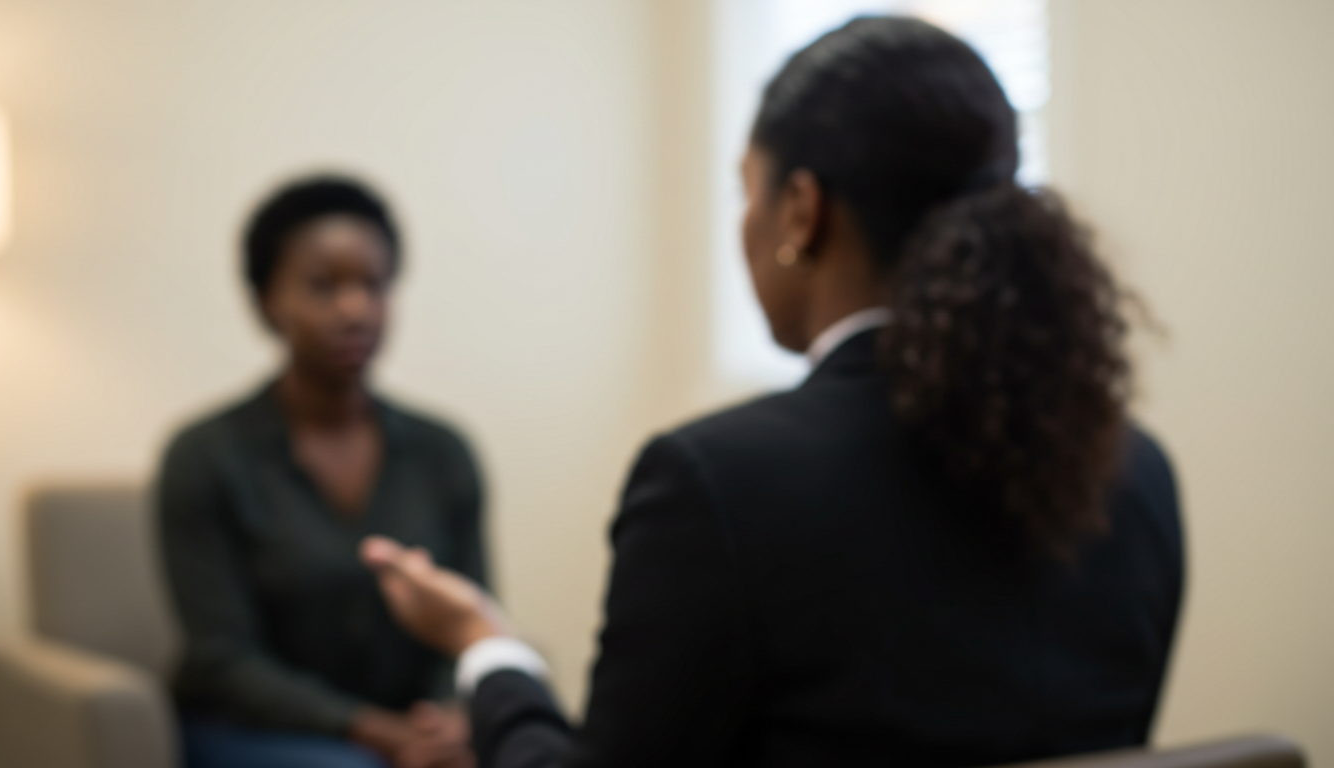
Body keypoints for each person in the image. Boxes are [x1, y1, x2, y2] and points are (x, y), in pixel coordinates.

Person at [360, 16, 1184, 768]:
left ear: (800, 211)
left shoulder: (718, 481)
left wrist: (489, 651)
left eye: (745, 190)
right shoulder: (1134, 474)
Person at [157, 177, 484, 768]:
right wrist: (375, 733)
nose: (355, 309)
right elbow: (222, 660)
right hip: (251, 730)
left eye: (374, 285)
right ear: (266, 302)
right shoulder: (205, 456)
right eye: (322, 286)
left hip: (411, 729)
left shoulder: (442, 452)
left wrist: (443, 721)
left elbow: (468, 618)